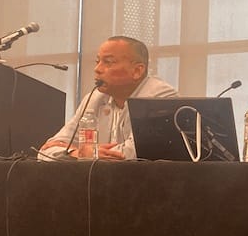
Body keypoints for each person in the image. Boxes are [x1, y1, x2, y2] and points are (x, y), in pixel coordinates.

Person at [39, 36, 177, 160]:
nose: (97, 69)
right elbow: (46, 151)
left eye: (108, 62)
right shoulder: (95, 99)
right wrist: (78, 153)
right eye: (97, 61)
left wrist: (89, 153)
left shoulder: (160, 98)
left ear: (137, 71)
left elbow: (133, 154)